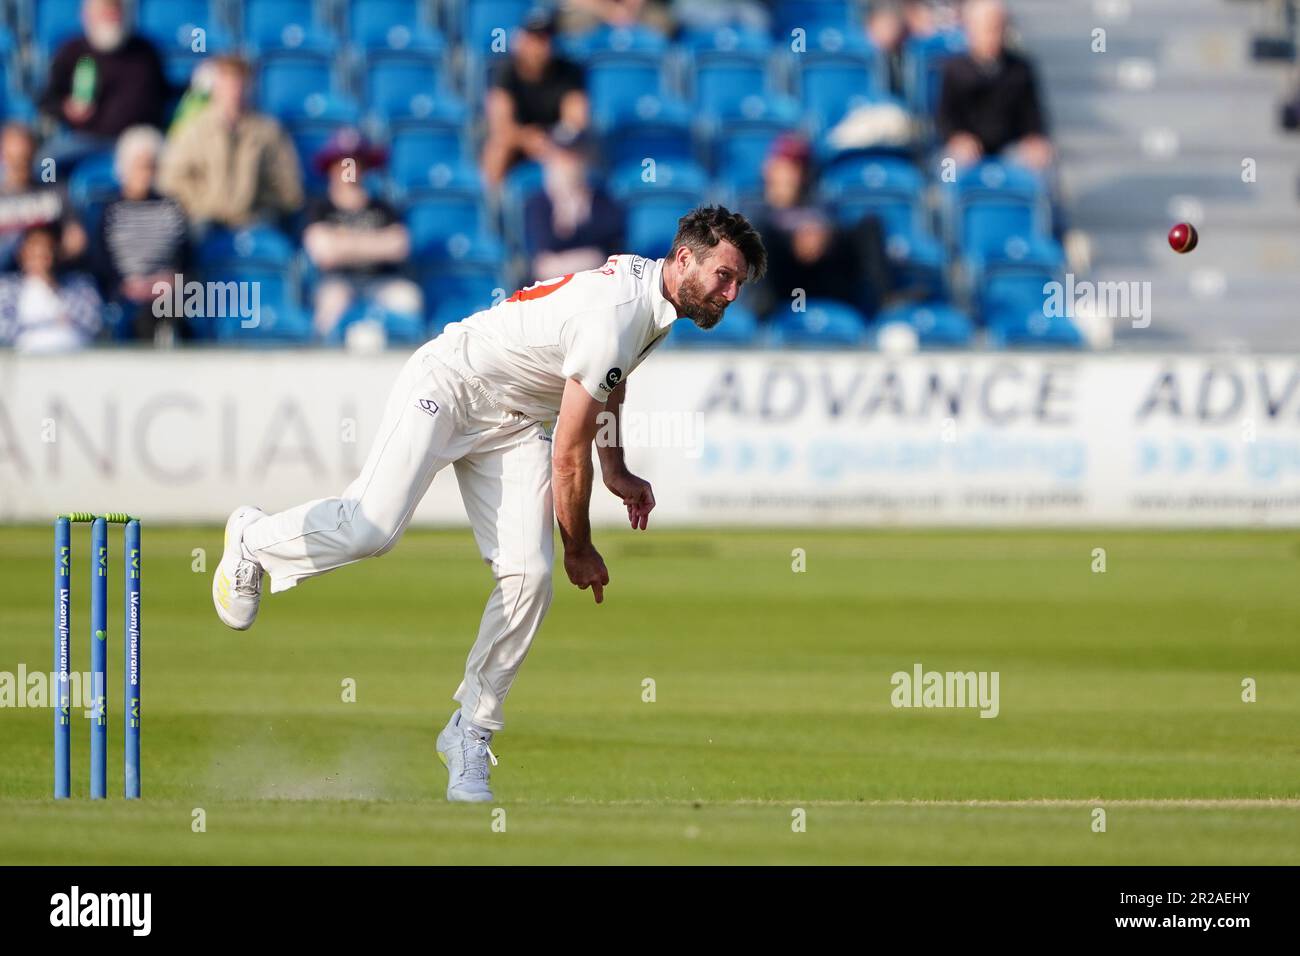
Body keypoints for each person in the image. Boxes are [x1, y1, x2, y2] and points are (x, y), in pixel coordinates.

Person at [210, 206, 767, 802]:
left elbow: (611, 378)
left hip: (517, 419)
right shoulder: (619, 314)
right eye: (724, 277)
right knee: (371, 529)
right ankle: (252, 539)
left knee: (529, 577)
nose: (730, 294)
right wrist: (579, 546)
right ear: (685, 260)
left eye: (737, 284)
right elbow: (567, 459)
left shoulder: (652, 300)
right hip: (452, 384)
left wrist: (617, 466)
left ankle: (469, 731)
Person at [749, 134, 891, 317]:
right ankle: (762, 319)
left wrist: (825, 237)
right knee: (757, 236)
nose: (792, 176)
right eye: (786, 168)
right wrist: (793, 240)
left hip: (824, 276)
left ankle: (883, 308)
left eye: (797, 168)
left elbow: (837, 229)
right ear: (770, 169)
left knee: (869, 225)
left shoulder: (820, 204)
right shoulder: (755, 208)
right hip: (785, 287)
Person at [156, 55, 303, 229]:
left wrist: (259, 204)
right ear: (216, 85)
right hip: (204, 221)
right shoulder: (193, 130)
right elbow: (170, 180)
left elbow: (289, 187)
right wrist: (201, 203)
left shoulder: (268, 132)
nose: (234, 90)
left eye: (240, 82)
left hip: (254, 222)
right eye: (227, 81)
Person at [302, 129, 422, 338]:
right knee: (331, 304)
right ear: (332, 168)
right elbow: (323, 252)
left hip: (381, 282)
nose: (350, 169)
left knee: (407, 298)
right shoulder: (321, 207)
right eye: (343, 163)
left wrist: (343, 243)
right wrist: (375, 244)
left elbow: (399, 246)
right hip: (338, 282)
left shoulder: (382, 207)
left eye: (355, 162)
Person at [38, 0, 169, 167]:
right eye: (103, 11)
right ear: (88, 15)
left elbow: (163, 98)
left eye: (114, 10)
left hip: (136, 140)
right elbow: (47, 101)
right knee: (47, 162)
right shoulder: (71, 52)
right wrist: (67, 108)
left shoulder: (145, 53)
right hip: (86, 139)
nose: (109, 17)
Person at [89, 125, 190, 342]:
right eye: (140, 166)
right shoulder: (111, 211)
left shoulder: (171, 208)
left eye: (151, 166)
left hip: (166, 292)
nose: (146, 173)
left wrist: (169, 280)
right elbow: (101, 260)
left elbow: (185, 256)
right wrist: (125, 285)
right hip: (125, 292)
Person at [936, 0, 1054, 170]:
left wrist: (1034, 139)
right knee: (950, 168)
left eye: (997, 28)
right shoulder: (954, 70)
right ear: (971, 29)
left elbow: (1033, 117)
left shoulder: (1021, 69)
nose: (992, 35)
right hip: (967, 148)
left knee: (1040, 163)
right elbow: (944, 117)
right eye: (986, 28)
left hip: (1010, 147)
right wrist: (958, 138)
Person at [480, 7, 589, 189]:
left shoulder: (569, 72)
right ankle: (491, 207)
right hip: (517, 141)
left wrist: (552, 140)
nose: (541, 46)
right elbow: (500, 125)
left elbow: (576, 120)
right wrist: (527, 139)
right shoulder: (505, 72)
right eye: (535, 38)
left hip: (555, 141)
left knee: (574, 154)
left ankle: (573, 213)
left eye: (546, 38)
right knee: (497, 150)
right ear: (522, 39)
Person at [522, 131, 625, 280]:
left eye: (574, 155)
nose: (569, 162)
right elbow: (544, 242)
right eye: (562, 155)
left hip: (594, 276)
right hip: (552, 276)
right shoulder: (537, 202)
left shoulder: (601, 198)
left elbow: (613, 233)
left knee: (594, 260)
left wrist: (571, 230)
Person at [0, 224, 102, 351]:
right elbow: (5, 330)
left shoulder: (80, 285)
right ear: (22, 254)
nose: (39, 260)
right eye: (33, 253)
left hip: (72, 352)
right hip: (26, 355)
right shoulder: (7, 287)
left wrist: (51, 287)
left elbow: (92, 325)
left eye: (45, 253)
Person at [0, 123, 86, 269]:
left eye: (25, 158)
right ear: (3, 157)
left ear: (34, 154)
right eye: (15, 158)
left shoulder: (54, 193)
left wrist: (44, 256)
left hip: (50, 274)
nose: (20, 165)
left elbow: (76, 239)